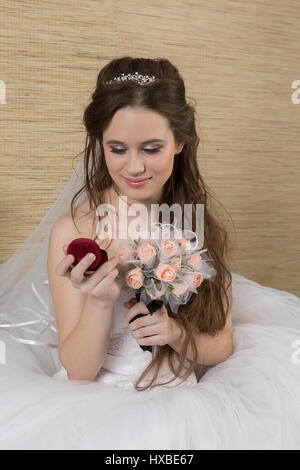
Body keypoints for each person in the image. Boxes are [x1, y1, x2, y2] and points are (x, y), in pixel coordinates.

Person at [0, 56, 300, 450]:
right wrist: (99, 301)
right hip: (96, 407)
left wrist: (176, 333)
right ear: (100, 144)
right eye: (118, 148)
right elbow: (78, 372)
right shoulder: (75, 231)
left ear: (179, 141)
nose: (135, 166)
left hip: (183, 403)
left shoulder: (199, 225)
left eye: (152, 148)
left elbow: (220, 345)